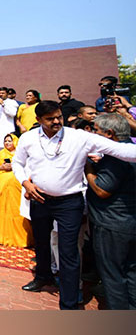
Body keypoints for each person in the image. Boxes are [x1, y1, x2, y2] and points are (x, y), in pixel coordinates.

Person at [12, 100, 136, 310]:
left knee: (68, 252)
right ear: (38, 120)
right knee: (41, 243)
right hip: (39, 200)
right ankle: (43, 277)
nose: (57, 121)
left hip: (69, 203)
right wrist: (25, 182)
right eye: (50, 119)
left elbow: (122, 151)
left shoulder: (79, 137)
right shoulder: (28, 137)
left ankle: (69, 304)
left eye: (59, 116)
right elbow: (17, 162)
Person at [84, 113, 136, 309]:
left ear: (109, 134)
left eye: (96, 131)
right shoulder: (131, 150)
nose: (93, 135)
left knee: (113, 274)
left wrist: (88, 167)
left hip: (112, 225)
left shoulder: (117, 156)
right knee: (131, 272)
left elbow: (102, 189)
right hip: (129, 221)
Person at [0, 133, 33, 248]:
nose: (7, 143)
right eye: (5, 141)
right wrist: (1, 168)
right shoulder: (1, 154)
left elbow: (27, 167)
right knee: (5, 211)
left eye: (10, 141)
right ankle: (5, 237)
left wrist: (13, 167)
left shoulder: (21, 154)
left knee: (18, 212)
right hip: (5, 188)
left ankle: (22, 239)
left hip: (17, 188)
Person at [0, 87, 19, 155]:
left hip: (7, 130)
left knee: (8, 150)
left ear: (6, 94)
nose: (1, 95)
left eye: (3, 93)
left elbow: (12, 113)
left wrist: (3, 105)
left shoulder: (12, 102)